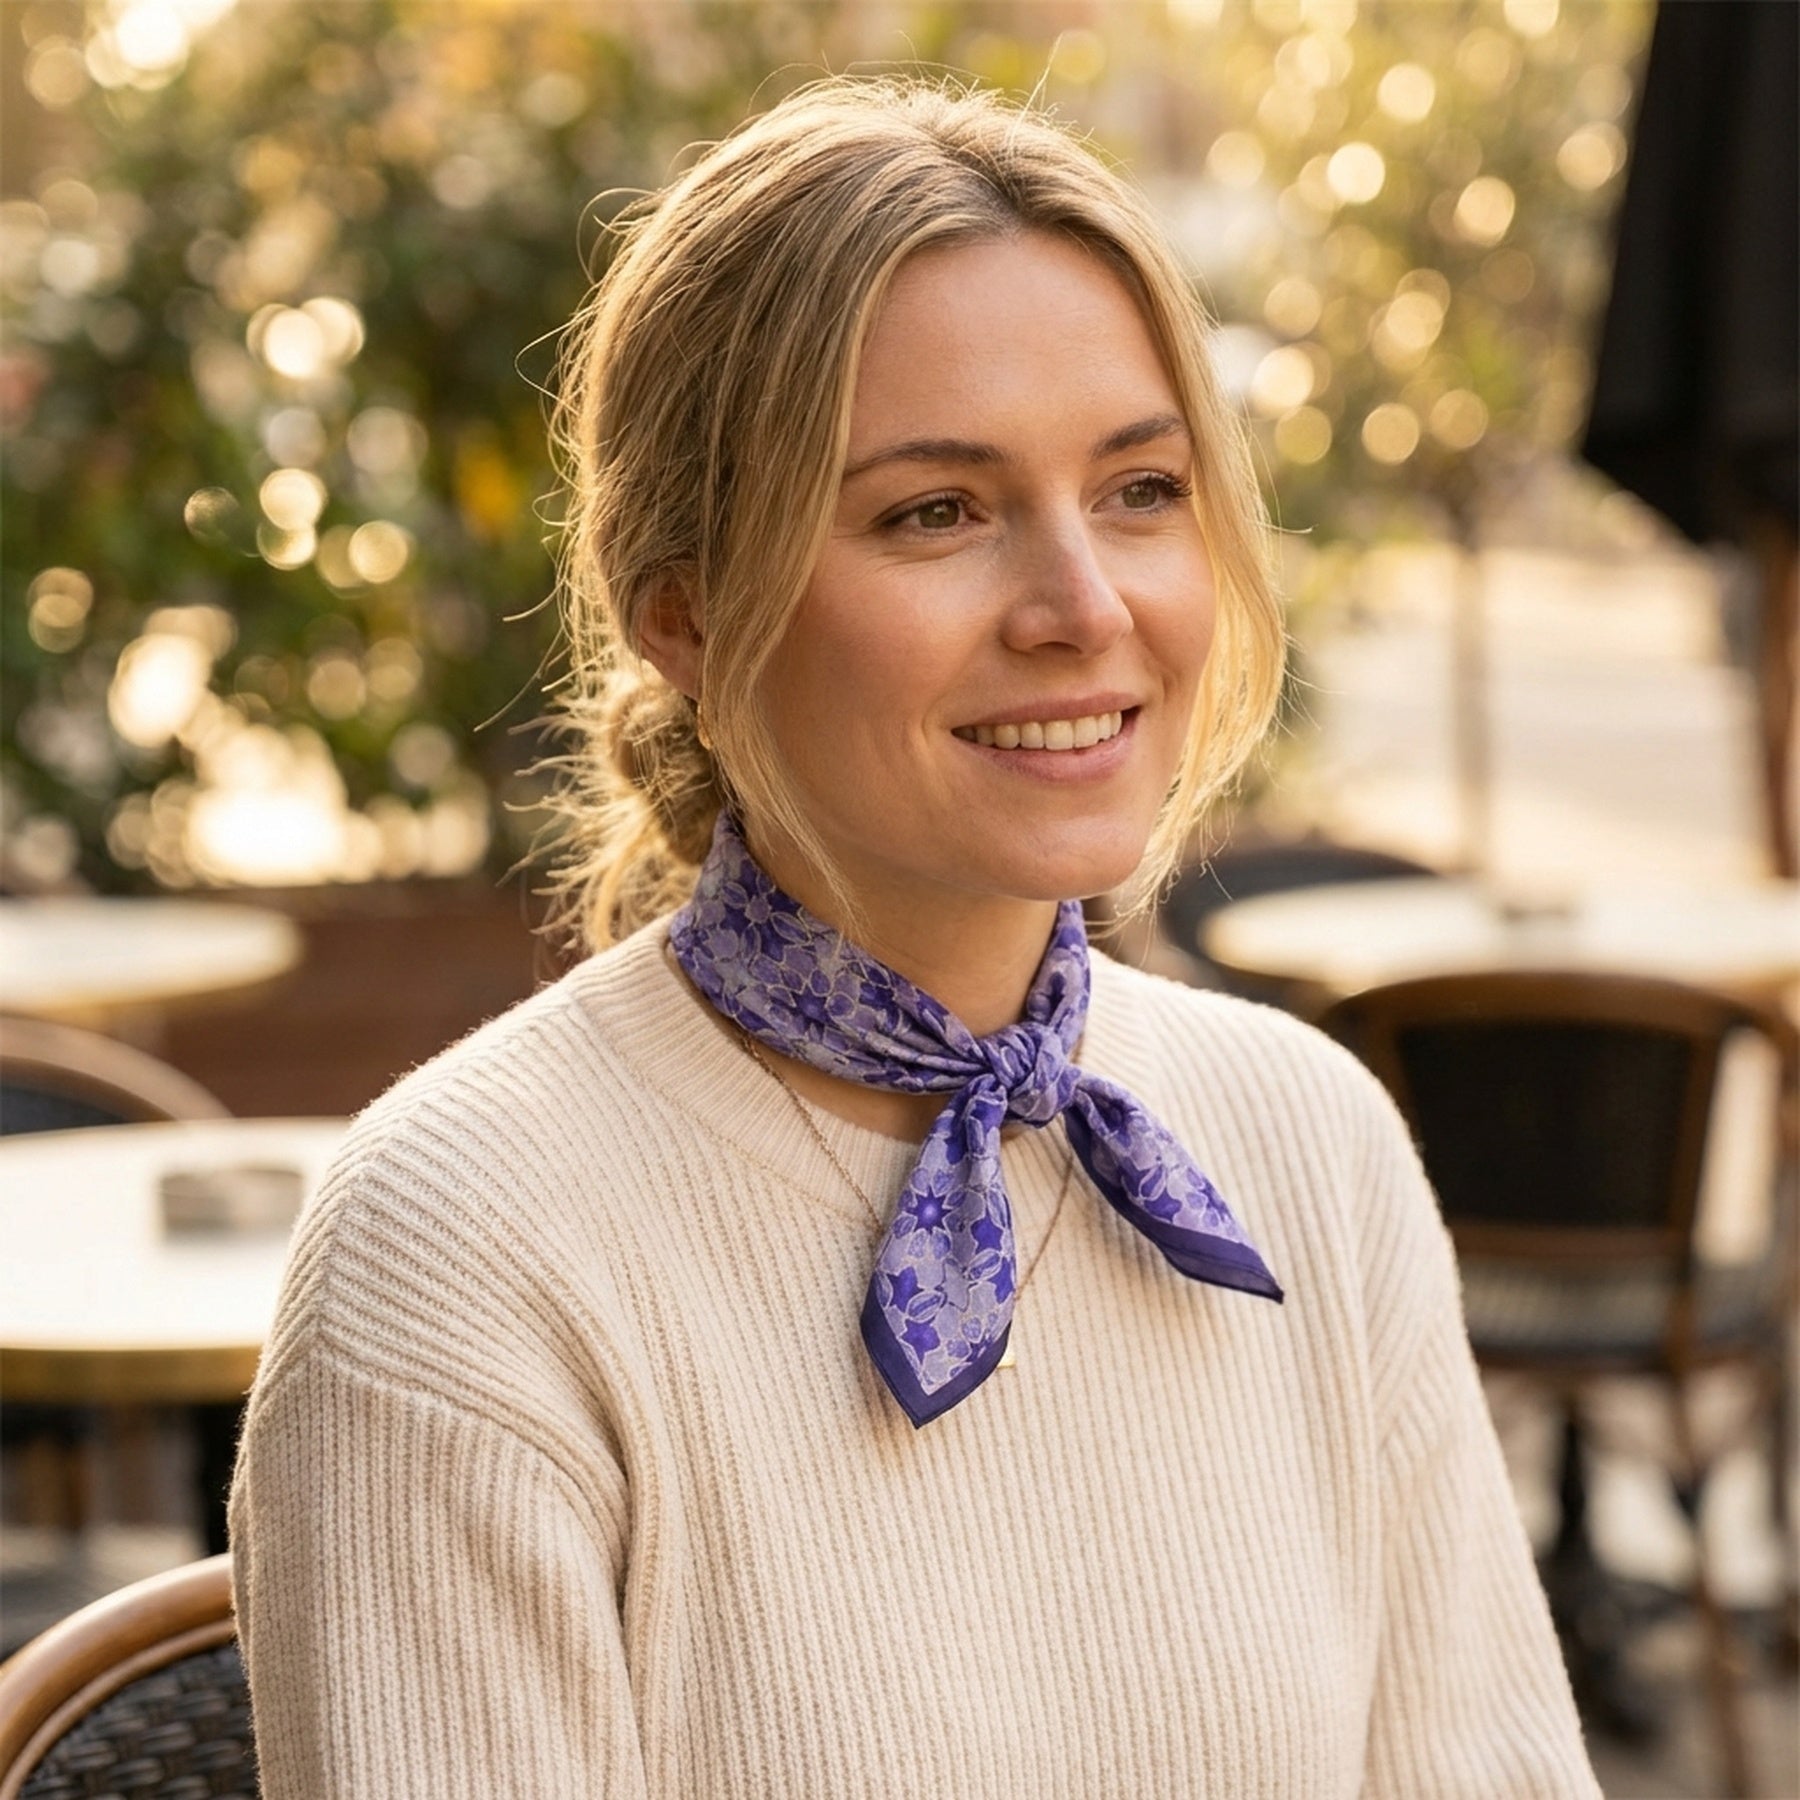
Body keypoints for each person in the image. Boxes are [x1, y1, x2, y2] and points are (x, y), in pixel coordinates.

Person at [230, 76, 1601, 1798]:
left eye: (1142, 488)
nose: (1084, 607)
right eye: (933, 512)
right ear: (690, 617)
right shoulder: (468, 1253)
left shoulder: (1307, 1148)